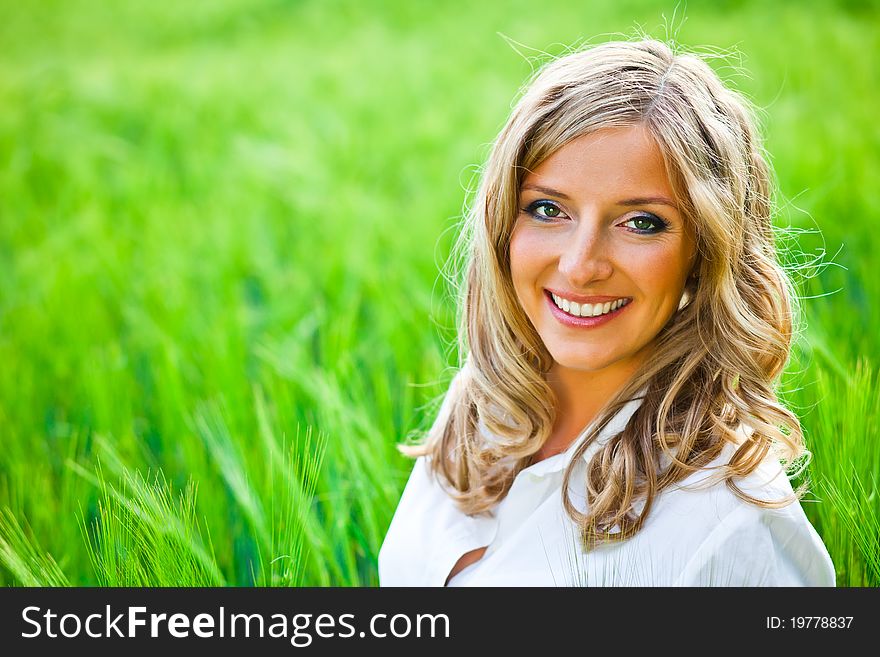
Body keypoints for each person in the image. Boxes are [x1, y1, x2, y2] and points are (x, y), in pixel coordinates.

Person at [377, 38, 836, 586]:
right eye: (548, 209)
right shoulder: (477, 412)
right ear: (503, 224)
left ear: (706, 251)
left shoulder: (729, 524)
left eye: (641, 222)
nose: (579, 265)